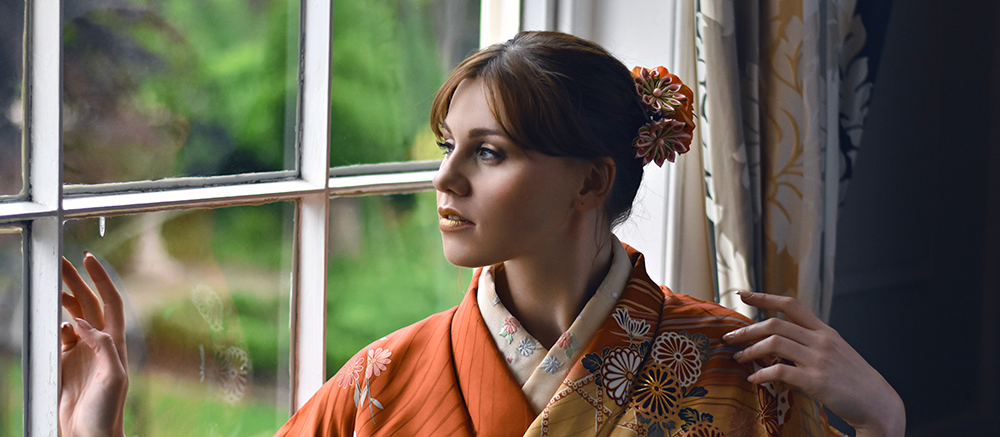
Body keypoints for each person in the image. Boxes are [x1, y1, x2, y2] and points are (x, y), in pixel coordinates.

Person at [59, 31, 905, 437]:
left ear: (590, 178)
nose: (445, 179)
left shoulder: (736, 369)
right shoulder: (377, 383)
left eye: (489, 152)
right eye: (447, 148)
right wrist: (97, 424)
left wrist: (881, 421)